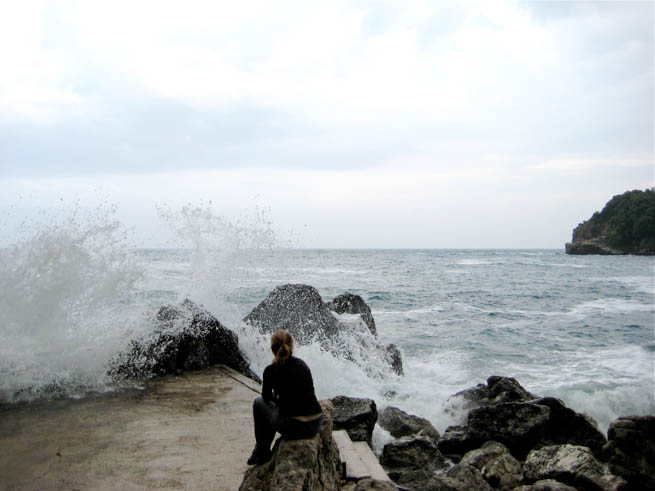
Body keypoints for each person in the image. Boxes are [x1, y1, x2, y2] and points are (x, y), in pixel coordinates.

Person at [247, 329, 323, 465]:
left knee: (258, 404)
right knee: (275, 410)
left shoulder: (270, 371)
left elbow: (266, 397)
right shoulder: (302, 365)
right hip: (316, 422)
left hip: (295, 427)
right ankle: (260, 451)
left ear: (272, 349)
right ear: (291, 346)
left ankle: (261, 451)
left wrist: (278, 399)